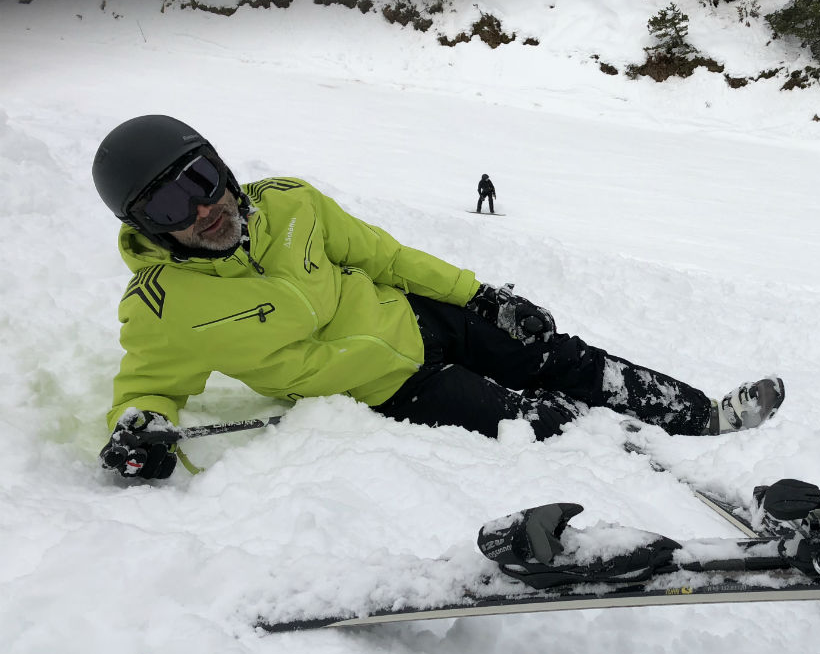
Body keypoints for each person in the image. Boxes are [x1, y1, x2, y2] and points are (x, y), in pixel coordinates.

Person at [92, 115, 785, 480]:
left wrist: (483, 298)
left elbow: (384, 256)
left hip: (422, 319)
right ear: (146, 228)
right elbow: (148, 384)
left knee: (557, 355)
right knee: (530, 422)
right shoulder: (161, 306)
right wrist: (140, 426)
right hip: (394, 386)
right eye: (169, 208)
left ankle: (704, 419)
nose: (203, 211)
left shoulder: (290, 203)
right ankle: (639, 455)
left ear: (221, 166)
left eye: (202, 180)